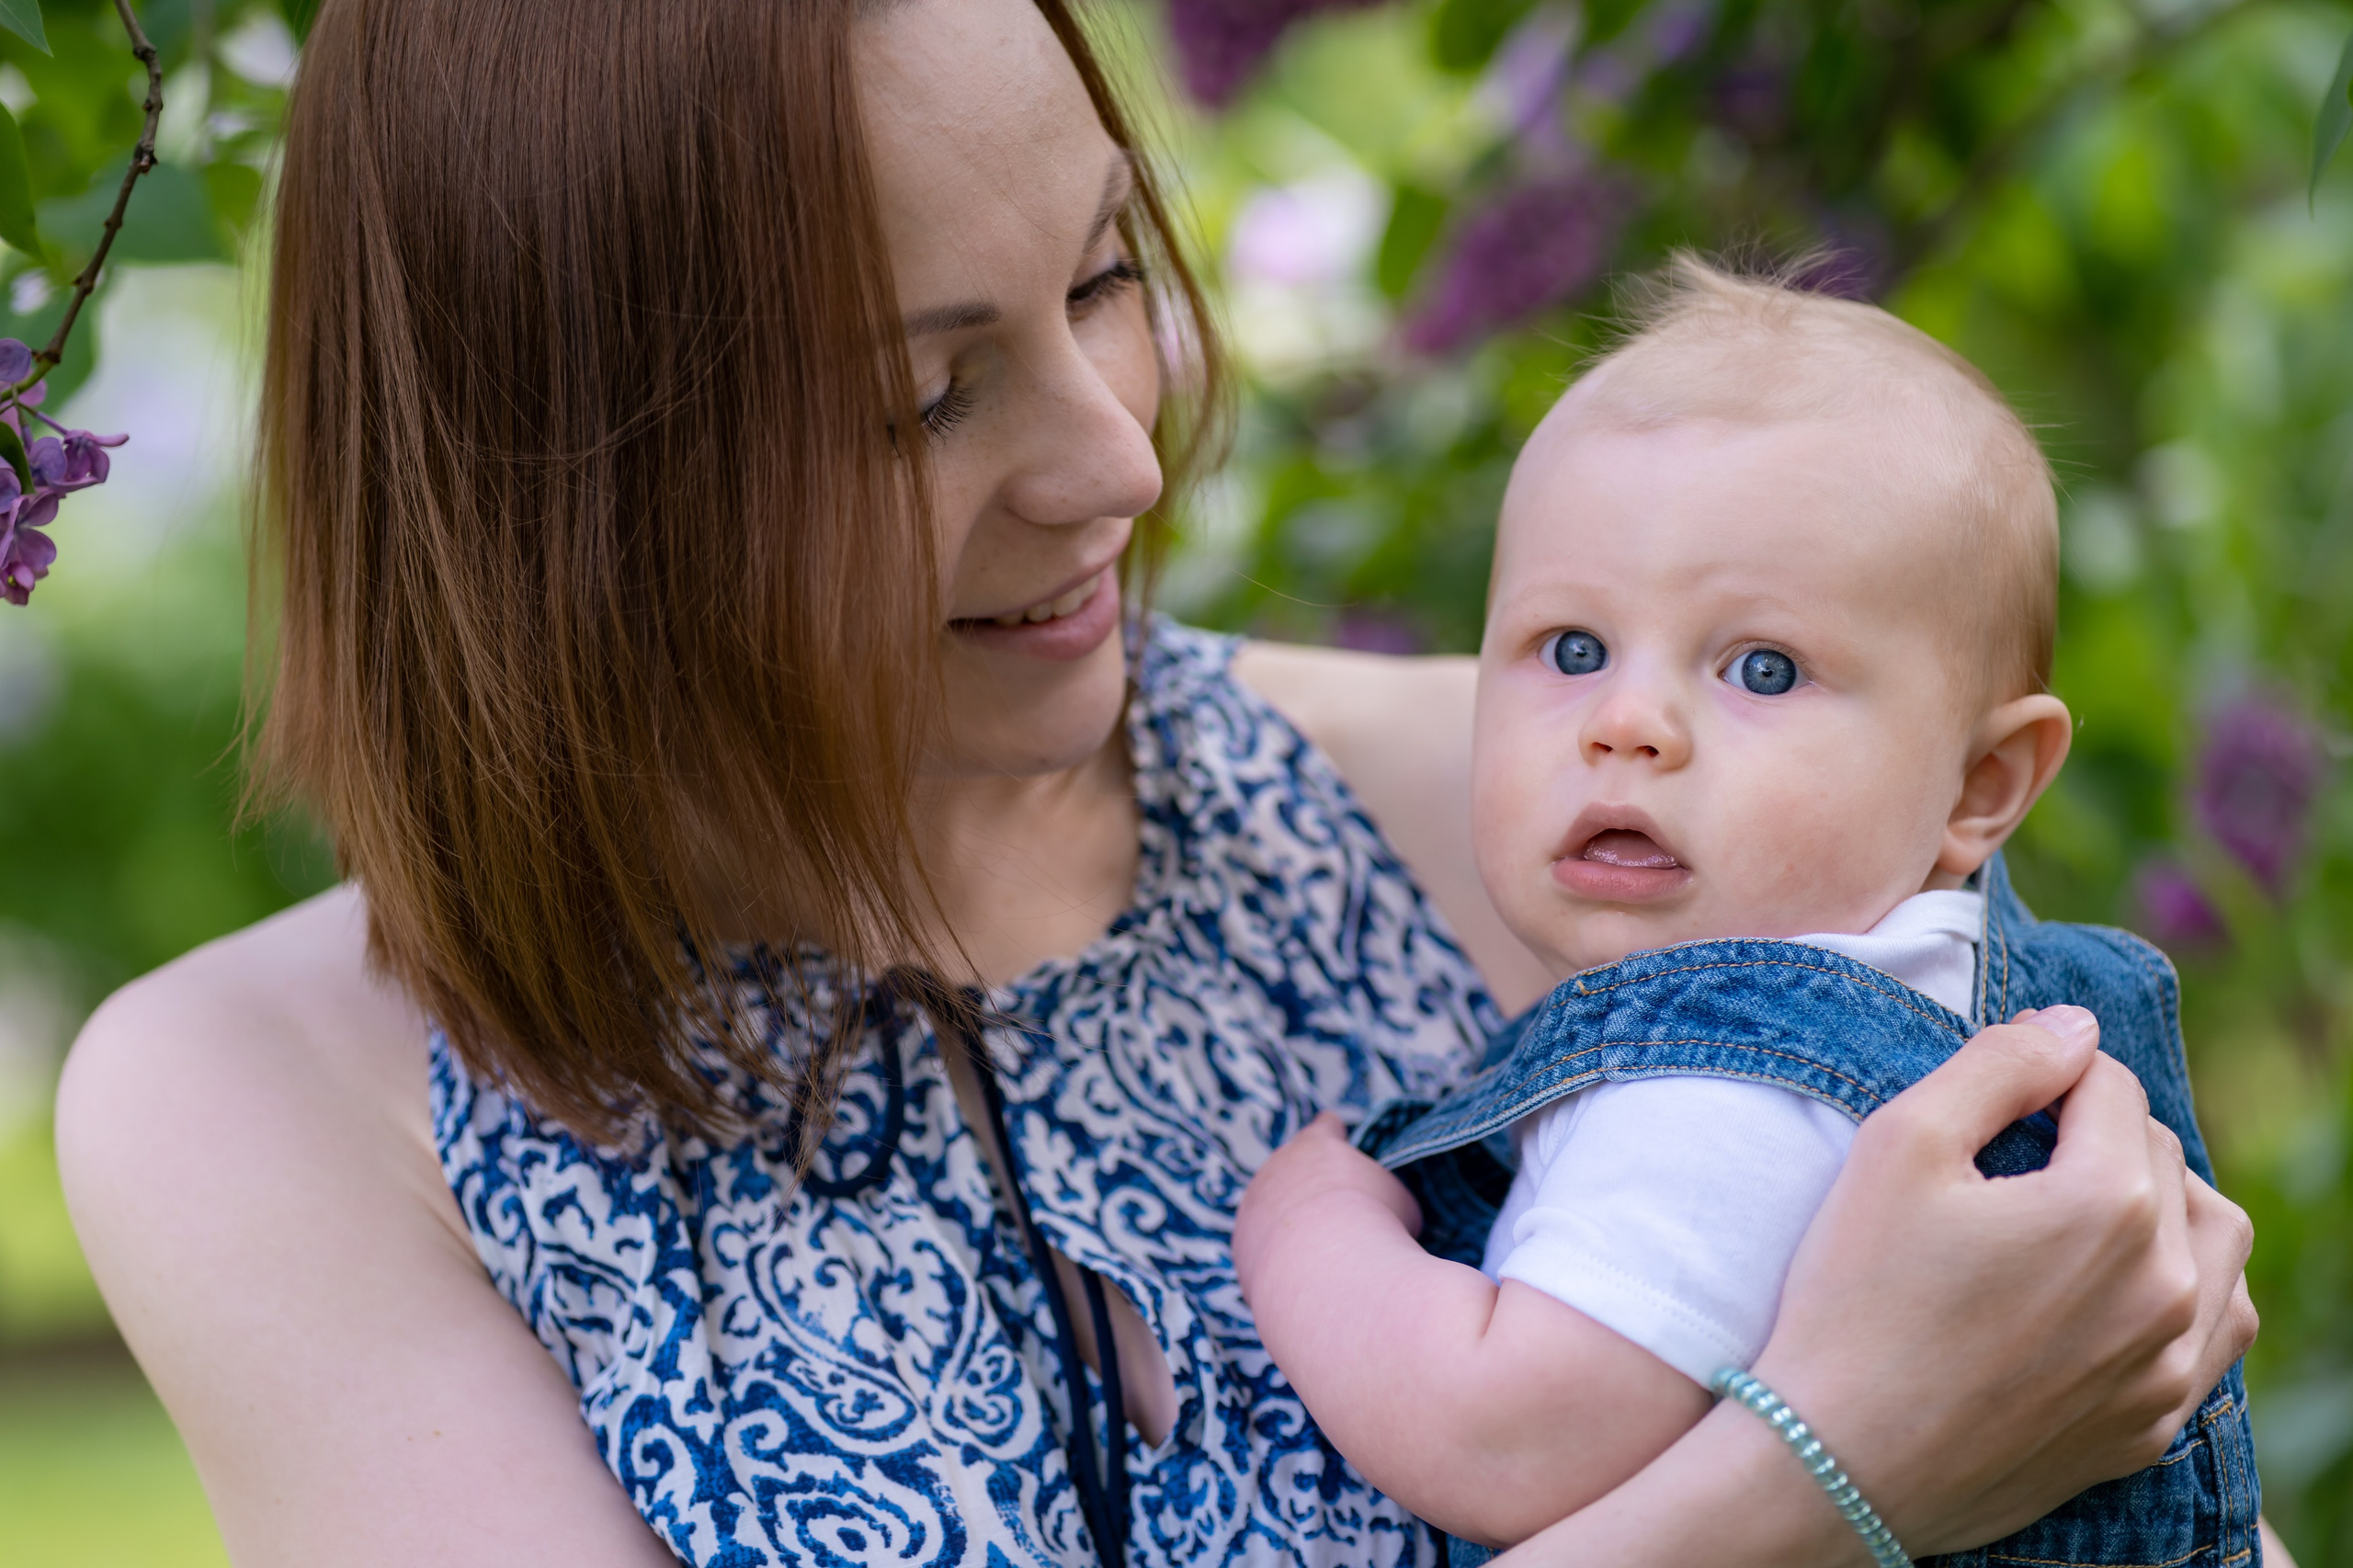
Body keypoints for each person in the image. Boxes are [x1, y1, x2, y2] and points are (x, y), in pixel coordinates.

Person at [51, 2, 2259, 1565]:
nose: (1118, 454)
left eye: (1104, 271)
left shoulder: (1555, 822)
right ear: (562, 482)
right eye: (924, 399)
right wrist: (1823, 1475)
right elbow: (1914, 1417)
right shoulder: (271, 1099)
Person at [1233, 260, 2261, 1563]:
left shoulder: (1723, 1095)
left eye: (1761, 668)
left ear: (1980, 785)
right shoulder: (1956, 986)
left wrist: (1305, 1225)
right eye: (1571, 648)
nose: (1628, 725)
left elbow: (1500, 1434)